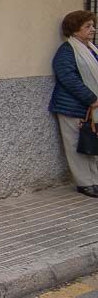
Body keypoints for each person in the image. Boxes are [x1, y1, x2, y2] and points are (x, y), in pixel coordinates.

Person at [50, 10, 98, 197]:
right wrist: (91, 98)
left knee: (92, 144)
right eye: (88, 26)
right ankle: (84, 183)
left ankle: (95, 180)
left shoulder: (91, 49)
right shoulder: (67, 51)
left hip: (91, 107)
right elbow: (68, 78)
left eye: (92, 25)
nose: (93, 29)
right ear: (75, 29)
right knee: (76, 144)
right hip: (73, 106)